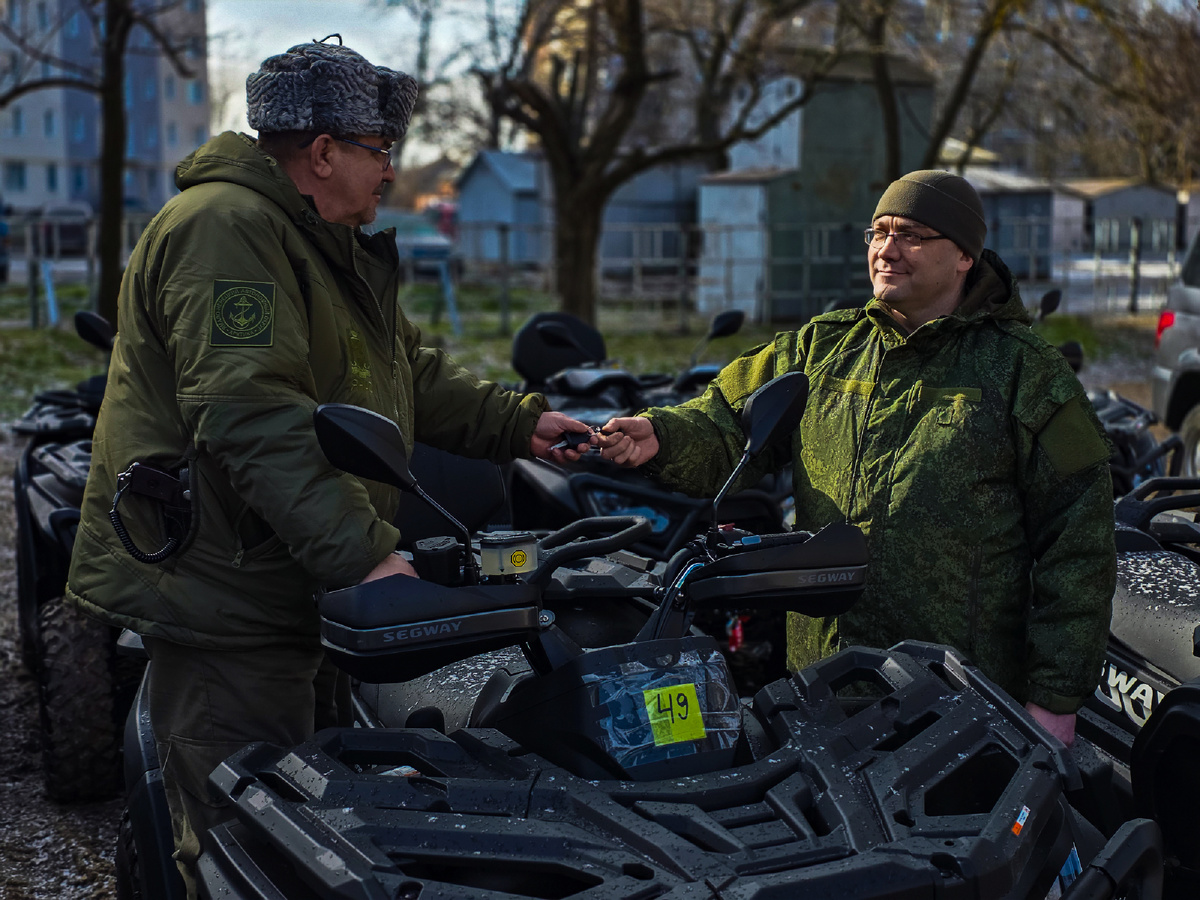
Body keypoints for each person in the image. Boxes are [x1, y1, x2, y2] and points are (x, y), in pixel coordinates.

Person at [66, 38, 588, 895]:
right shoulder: (226, 231)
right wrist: (361, 554)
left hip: (284, 579)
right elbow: (247, 413)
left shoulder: (312, 240)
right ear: (322, 152)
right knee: (242, 845)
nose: (390, 174)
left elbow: (400, 373)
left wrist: (517, 425)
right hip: (227, 600)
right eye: (381, 153)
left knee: (309, 826)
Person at [599, 170, 1115, 748]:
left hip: (960, 704)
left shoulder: (1025, 374)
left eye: (914, 235)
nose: (887, 251)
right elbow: (725, 420)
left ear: (965, 256)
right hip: (822, 685)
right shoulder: (822, 348)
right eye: (879, 232)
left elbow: (1078, 545)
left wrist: (1054, 700)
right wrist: (659, 435)